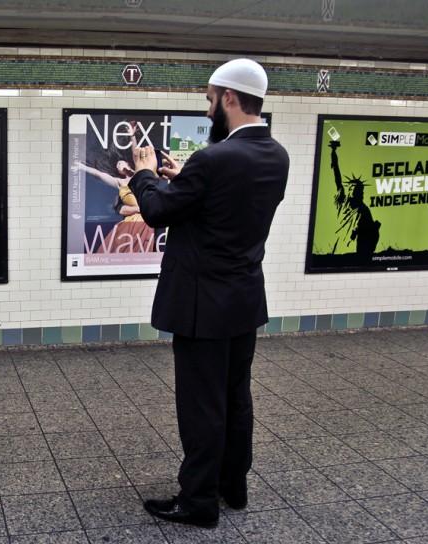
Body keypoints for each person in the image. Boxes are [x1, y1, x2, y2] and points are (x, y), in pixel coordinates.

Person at [128, 58, 289, 528]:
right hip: (243, 302)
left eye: (210, 99)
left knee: (202, 408)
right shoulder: (274, 154)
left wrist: (145, 173)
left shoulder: (214, 159)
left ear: (230, 99)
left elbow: (157, 212)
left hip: (202, 307)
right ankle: (232, 487)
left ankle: (198, 501)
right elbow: (224, 204)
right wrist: (183, 179)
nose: (208, 108)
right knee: (236, 397)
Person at [75, 160, 157, 253]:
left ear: (128, 163)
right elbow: (99, 175)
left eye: (120, 163)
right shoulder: (120, 182)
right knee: (117, 247)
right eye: (117, 165)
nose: (118, 166)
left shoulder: (143, 176)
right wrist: (83, 167)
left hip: (145, 221)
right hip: (130, 221)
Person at [328, 140, 381, 256]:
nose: (358, 192)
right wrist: (333, 154)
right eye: (354, 189)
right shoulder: (343, 202)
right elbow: (337, 177)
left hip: (357, 252)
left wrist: (374, 228)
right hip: (339, 250)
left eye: (360, 190)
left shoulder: (364, 210)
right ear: (349, 190)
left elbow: (372, 234)